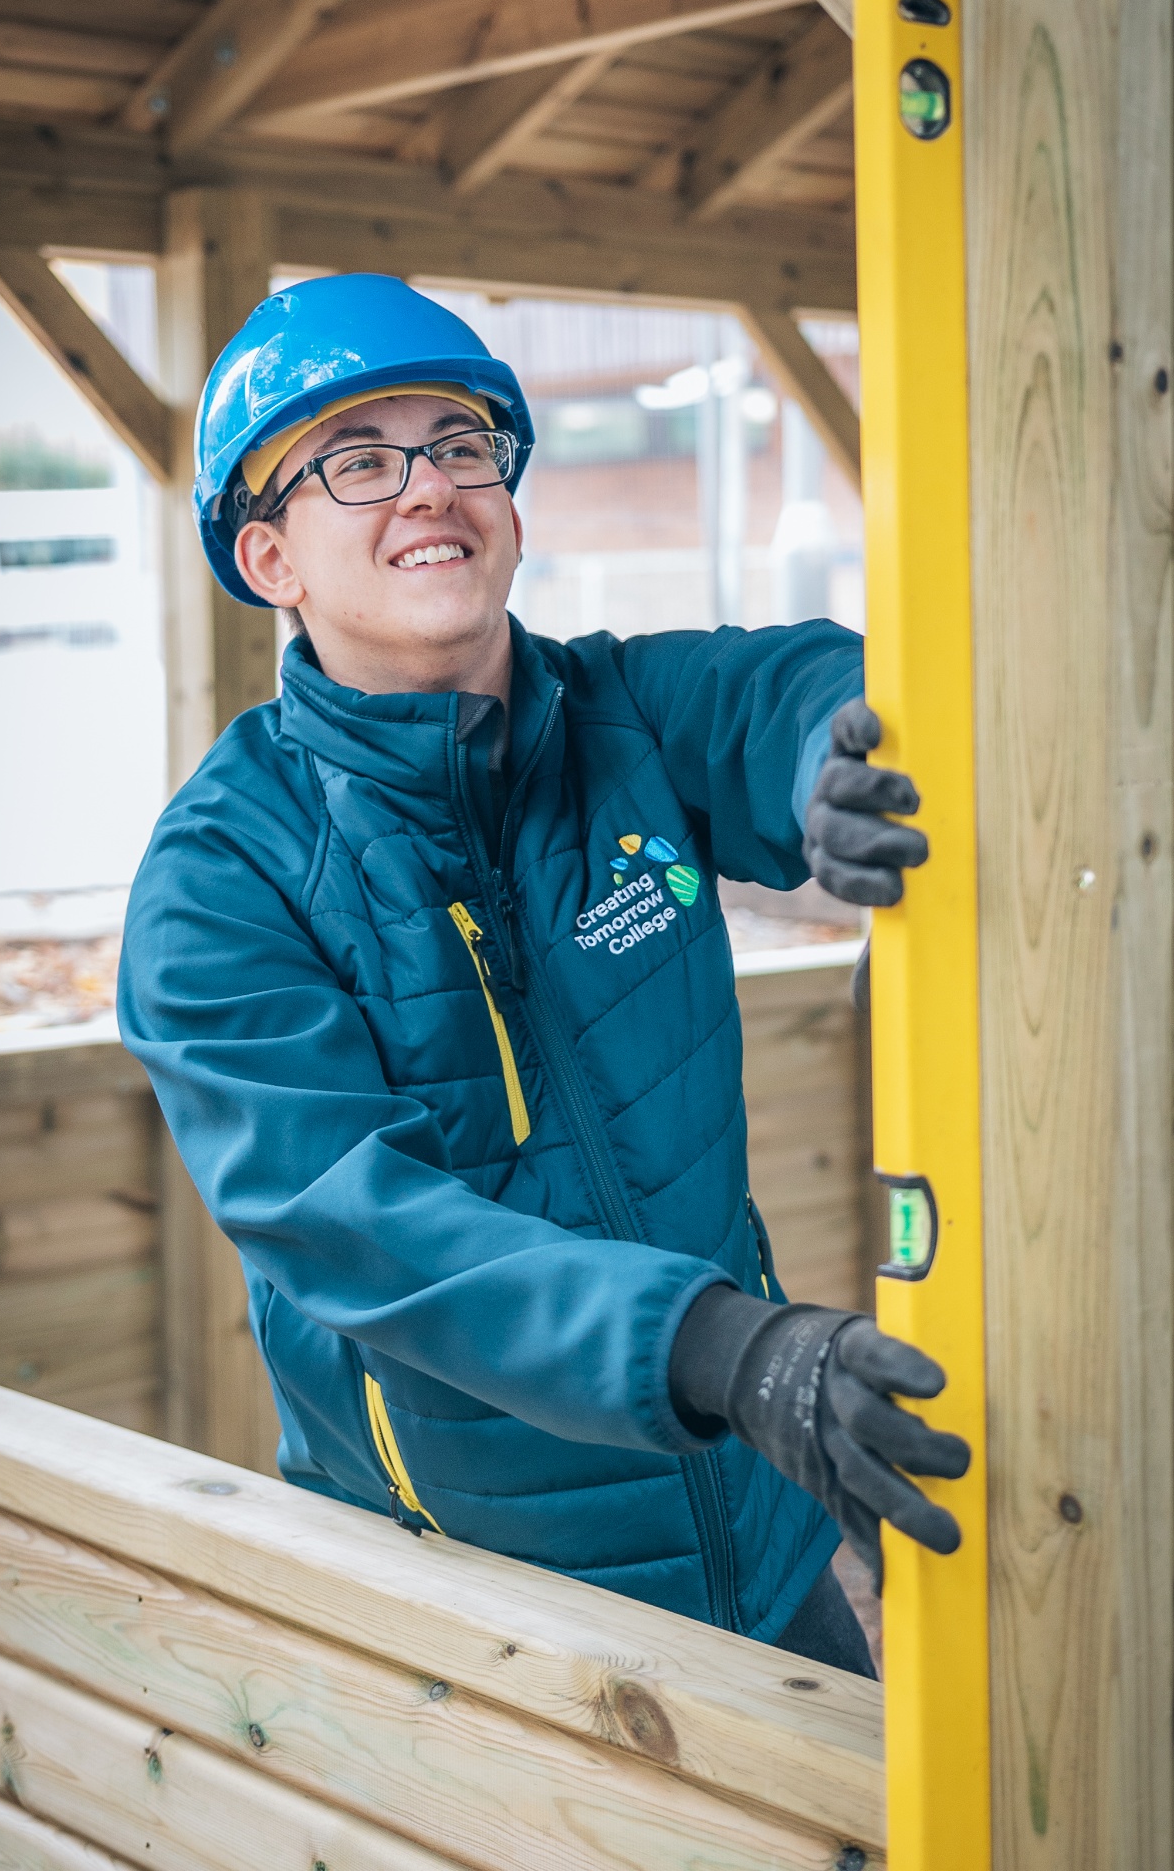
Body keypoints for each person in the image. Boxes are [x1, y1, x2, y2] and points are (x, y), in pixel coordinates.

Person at [118, 274, 969, 1679]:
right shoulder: (223, 881)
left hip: (755, 1538)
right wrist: (729, 1354)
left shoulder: (625, 718)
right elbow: (355, 1224)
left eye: (459, 445)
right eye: (359, 461)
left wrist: (843, 750)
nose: (428, 489)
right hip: (471, 1605)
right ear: (269, 559)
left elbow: (791, 687)